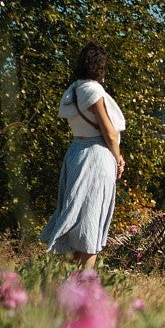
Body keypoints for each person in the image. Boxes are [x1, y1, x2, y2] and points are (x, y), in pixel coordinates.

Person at [40, 42, 126, 272]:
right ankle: (85, 281)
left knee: (75, 212)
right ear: (100, 67)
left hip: (76, 154)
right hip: (96, 157)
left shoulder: (73, 90)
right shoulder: (94, 92)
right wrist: (118, 157)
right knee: (90, 218)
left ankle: (69, 278)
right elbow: (108, 131)